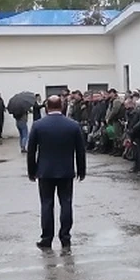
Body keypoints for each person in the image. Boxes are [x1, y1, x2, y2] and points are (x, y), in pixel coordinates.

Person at [26, 96, 87, 251]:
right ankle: (65, 238)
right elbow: (80, 150)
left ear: (47, 107)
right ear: (62, 106)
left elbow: (31, 151)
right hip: (66, 171)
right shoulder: (73, 125)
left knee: (46, 204)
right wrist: (81, 170)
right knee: (66, 203)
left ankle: (46, 239)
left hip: (45, 172)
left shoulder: (38, 125)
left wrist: (31, 171)